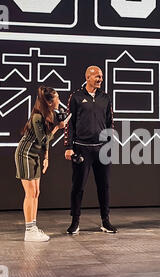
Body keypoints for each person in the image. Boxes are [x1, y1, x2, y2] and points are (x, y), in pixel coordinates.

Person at [64, 66, 117, 234]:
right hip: (81, 148)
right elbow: (69, 124)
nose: (100, 79)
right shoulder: (76, 97)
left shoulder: (105, 98)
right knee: (78, 187)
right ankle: (75, 222)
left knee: (104, 186)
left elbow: (110, 123)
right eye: (97, 77)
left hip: (101, 149)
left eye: (101, 77)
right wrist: (68, 147)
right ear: (88, 77)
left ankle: (105, 221)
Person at [15, 86, 65, 241]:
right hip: (25, 154)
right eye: (56, 97)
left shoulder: (48, 115)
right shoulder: (37, 116)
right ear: (49, 102)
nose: (59, 100)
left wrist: (46, 158)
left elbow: (45, 143)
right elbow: (43, 139)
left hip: (36, 155)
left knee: (36, 192)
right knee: (30, 193)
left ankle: (34, 228)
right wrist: (58, 128)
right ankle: (29, 231)